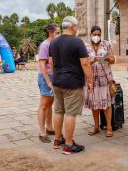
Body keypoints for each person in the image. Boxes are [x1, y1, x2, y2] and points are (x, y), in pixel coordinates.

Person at [49, 16, 93, 155]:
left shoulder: (53, 43)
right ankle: (68, 144)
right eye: (77, 26)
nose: (77, 28)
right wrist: (90, 80)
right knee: (70, 113)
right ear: (73, 26)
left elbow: (51, 63)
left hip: (57, 81)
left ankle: (57, 140)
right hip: (72, 83)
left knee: (58, 111)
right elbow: (85, 63)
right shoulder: (77, 42)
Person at [84, 26, 116, 138]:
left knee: (106, 104)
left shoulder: (106, 44)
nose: (96, 36)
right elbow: (83, 63)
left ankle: (109, 127)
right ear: (91, 34)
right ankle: (96, 127)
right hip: (92, 79)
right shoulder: (86, 47)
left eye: (98, 34)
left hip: (105, 78)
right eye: (94, 34)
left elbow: (113, 59)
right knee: (94, 104)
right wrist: (91, 61)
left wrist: (107, 59)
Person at [37, 23, 60, 143]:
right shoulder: (45, 45)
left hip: (53, 76)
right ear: (51, 33)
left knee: (50, 103)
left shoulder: (55, 45)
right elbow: (42, 64)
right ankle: (42, 132)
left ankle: (49, 127)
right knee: (44, 104)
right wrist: (48, 81)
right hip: (46, 76)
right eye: (57, 32)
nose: (59, 34)